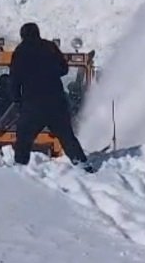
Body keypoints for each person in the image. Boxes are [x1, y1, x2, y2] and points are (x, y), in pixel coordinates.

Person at [8, 22, 92, 171]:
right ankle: (83, 165)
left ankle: (19, 167)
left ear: (22, 35)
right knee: (67, 137)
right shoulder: (49, 47)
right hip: (56, 102)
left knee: (24, 138)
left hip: (32, 104)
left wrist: (16, 100)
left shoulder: (20, 52)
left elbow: (14, 79)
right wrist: (50, 72)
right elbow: (64, 69)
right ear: (38, 33)